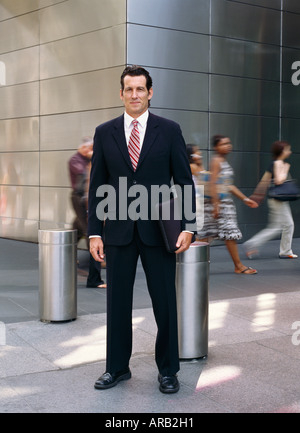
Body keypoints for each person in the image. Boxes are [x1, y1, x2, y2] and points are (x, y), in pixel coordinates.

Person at [88, 65, 196, 394]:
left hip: (159, 232)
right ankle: (117, 368)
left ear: (150, 92)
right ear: (121, 93)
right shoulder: (105, 132)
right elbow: (97, 185)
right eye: (129, 89)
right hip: (118, 231)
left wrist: (188, 226)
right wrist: (94, 232)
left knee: (164, 302)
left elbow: (184, 181)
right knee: (117, 303)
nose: (135, 95)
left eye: (140, 89)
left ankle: (168, 370)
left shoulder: (169, 130)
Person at [197, 135, 258, 274]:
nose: (228, 146)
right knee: (227, 234)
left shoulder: (222, 161)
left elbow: (228, 185)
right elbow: (213, 183)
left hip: (221, 203)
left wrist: (245, 199)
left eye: (228, 143)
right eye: (223, 144)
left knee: (205, 235)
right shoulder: (216, 161)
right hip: (219, 203)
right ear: (216, 147)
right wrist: (217, 205)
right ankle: (238, 266)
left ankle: (188, 262)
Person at [243, 140, 297, 259]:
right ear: (282, 151)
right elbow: (279, 181)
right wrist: (285, 169)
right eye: (288, 149)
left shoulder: (273, 163)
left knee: (287, 225)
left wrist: (257, 196)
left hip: (276, 200)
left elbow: (264, 181)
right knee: (277, 227)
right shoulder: (279, 163)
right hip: (278, 200)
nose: (290, 152)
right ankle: (252, 244)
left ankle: (285, 251)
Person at [68, 138, 106, 288]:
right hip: (86, 202)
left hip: (88, 202)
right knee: (93, 234)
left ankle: (69, 257)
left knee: (78, 229)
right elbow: (89, 187)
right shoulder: (83, 162)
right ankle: (91, 275)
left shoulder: (91, 162)